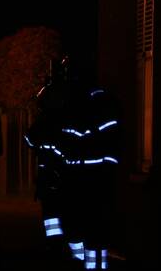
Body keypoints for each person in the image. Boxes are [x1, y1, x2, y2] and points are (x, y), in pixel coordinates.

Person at [55, 55, 120, 271]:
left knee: (94, 232)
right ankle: (81, 264)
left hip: (94, 180)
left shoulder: (99, 102)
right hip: (77, 180)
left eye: (69, 76)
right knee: (77, 229)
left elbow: (108, 140)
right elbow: (65, 142)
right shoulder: (71, 106)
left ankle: (93, 267)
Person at [25, 58, 82, 262]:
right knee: (70, 219)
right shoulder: (79, 103)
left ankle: (58, 253)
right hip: (71, 176)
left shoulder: (53, 108)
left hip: (54, 176)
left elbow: (32, 138)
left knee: (54, 217)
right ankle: (73, 256)